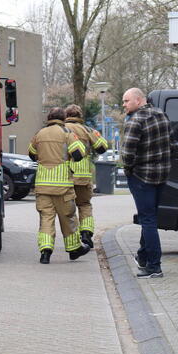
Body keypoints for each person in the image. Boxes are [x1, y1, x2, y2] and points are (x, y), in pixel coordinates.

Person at [120, 88, 175, 278]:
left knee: (148, 220)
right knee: (150, 217)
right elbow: (172, 145)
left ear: (138, 100)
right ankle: (143, 257)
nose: (124, 105)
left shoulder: (135, 121)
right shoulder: (162, 115)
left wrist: (129, 171)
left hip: (142, 177)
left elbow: (127, 155)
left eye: (126, 101)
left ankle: (154, 266)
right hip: (161, 176)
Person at [28, 107, 90, 264]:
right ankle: (74, 249)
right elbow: (78, 154)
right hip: (63, 187)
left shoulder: (39, 134)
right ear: (63, 118)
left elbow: (31, 154)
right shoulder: (67, 133)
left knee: (46, 219)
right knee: (68, 218)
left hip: (42, 186)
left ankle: (45, 252)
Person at [64, 104, 108, 248]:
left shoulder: (61, 130)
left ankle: (74, 239)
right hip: (83, 176)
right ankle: (86, 234)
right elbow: (102, 147)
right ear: (80, 116)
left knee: (69, 210)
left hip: (65, 175)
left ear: (66, 116)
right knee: (84, 205)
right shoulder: (87, 130)